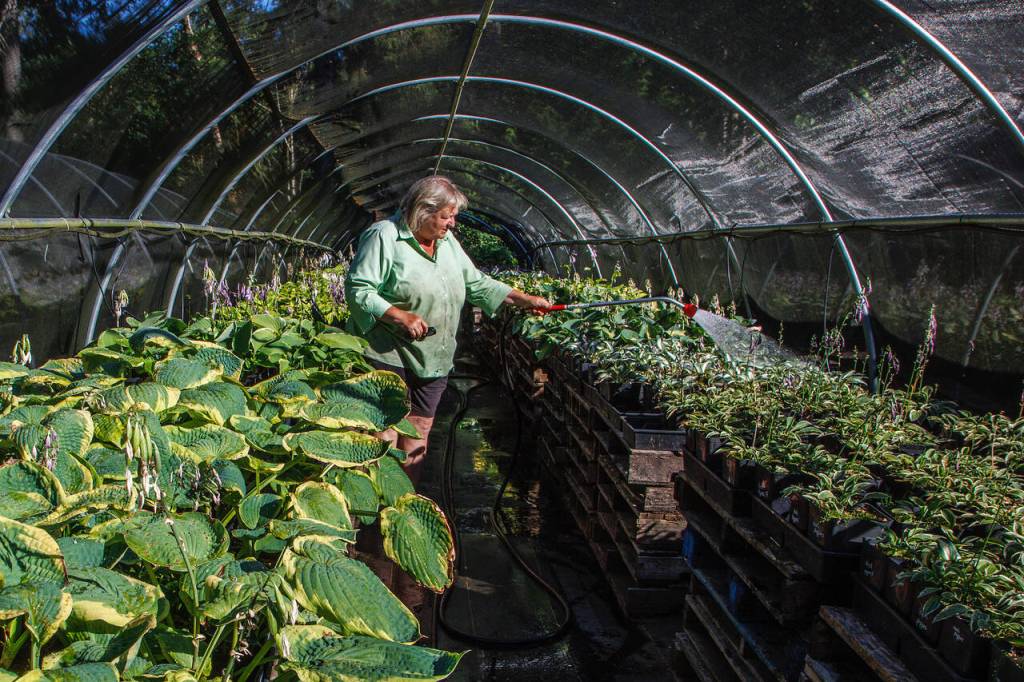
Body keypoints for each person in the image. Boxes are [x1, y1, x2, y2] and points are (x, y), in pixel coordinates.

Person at [344, 175, 551, 486]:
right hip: (387, 354)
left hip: (433, 356)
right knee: (383, 432)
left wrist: (523, 299)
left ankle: (403, 502)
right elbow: (359, 289)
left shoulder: (446, 243)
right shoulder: (384, 236)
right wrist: (399, 315)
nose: (452, 223)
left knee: (419, 430)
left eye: (453, 216)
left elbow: (476, 282)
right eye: (447, 216)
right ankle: (373, 507)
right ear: (423, 211)